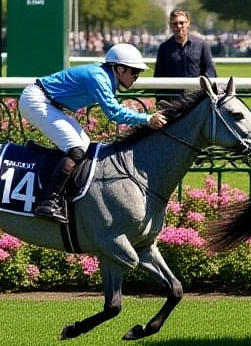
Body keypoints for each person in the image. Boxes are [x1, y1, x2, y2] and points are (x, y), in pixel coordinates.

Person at [17, 43, 168, 221]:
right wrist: (147, 119)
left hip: (46, 102)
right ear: (119, 69)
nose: (136, 77)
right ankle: (47, 202)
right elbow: (114, 112)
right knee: (75, 149)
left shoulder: (104, 74)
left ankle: (60, 187)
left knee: (84, 146)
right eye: (134, 72)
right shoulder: (98, 77)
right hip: (37, 101)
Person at [154, 9, 217, 81]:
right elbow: (159, 75)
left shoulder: (202, 45)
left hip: (197, 91)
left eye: (182, 23)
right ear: (170, 25)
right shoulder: (164, 48)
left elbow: (210, 71)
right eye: (175, 23)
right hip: (172, 91)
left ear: (188, 23)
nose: (179, 26)